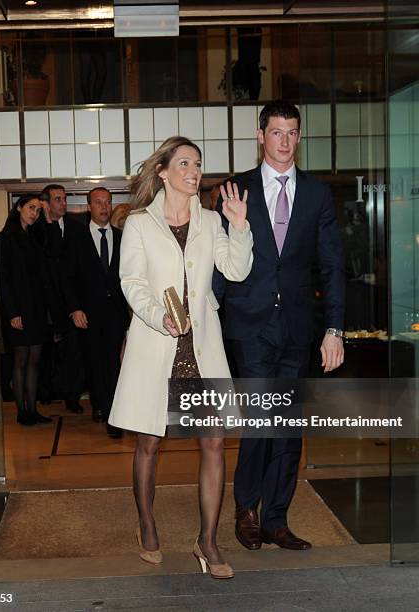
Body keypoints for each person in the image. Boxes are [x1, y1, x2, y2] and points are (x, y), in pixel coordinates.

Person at [108, 136, 253, 578]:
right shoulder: (138, 223)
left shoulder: (211, 221)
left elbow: (237, 270)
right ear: (164, 172)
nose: (194, 171)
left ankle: (207, 541)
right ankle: (147, 524)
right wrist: (157, 317)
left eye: (198, 164)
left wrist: (239, 227)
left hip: (202, 348)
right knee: (150, 442)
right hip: (158, 345)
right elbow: (131, 281)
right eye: (185, 163)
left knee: (212, 441)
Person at [215, 100, 345, 552]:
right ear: (260, 135)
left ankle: (277, 519)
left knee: (288, 426)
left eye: (292, 132)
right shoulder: (235, 190)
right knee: (258, 420)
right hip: (249, 325)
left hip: (296, 328)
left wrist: (335, 329)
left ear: (299, 136)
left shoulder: (316, 194)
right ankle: (246, 509)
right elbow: (220, 263)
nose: (285, 141)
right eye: (276, 132)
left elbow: (331, 266)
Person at [61, 187, 129, 436]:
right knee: (93, 361)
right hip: (87, 311)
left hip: (115, 311)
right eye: (98, 202)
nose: (104, 207)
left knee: (113, 362)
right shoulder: (75, 238)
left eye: (107, 202)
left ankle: (113, 415)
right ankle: (99, 403)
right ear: (89, 206)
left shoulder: (123, 237)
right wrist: (74, 309)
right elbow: (67, 277)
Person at [0, 194, 53, 426]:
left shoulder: (36, 236)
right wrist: (12, 313)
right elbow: (3, 281)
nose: (34, 213)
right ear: (18, 208)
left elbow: (53, 251)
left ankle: (33, 408)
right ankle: (21, 411)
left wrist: (47, 218)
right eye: (31, 208)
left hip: (37, 307)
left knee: (35, 360)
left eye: (38, 210)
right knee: (20, 359)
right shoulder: (3, 239)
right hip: (18, 308)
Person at [39, 184, 85, 414]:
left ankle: (72, 396)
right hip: (46, 302)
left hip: (73, 300)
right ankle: (46, 391)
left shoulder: (77, 228)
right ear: (46, 203)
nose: (63, 203)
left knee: (73, 352)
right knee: (47, 352)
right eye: (58, 199)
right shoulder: (37, 229)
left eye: (65, 199)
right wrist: (47, 223)